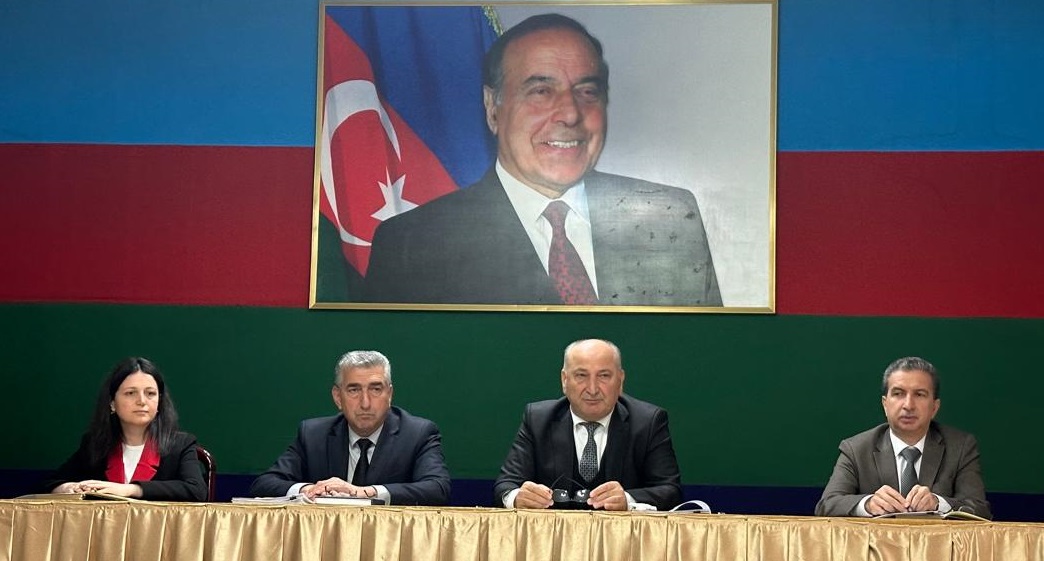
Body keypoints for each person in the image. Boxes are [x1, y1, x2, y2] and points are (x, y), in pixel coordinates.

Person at [364, 13, 721, 307]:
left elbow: (704, 356)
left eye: (587, 91)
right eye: (541, 91)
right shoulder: (412, 247)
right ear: (492, 108)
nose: (570, 113)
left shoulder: (671, 217)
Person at [493, 339, 682, 511]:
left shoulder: (648, 422)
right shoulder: (538, 419)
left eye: (604, 376)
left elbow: (671, 491)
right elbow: (506, 485)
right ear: (564, 380)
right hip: (554, 535)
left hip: (623, 536)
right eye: (581, 375)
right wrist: (517, 497)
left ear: (620, 380)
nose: (592, 389)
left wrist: (627, 500)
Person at [249, 350, 450, 505]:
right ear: (338, 397)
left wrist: (364, 492)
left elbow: (437, 488)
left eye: (375, 389)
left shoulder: (418, 433)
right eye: (354, 390)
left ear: (389, 395)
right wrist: (310, 490)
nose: (365, 403)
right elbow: (264, 484)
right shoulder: (313, 434)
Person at [815, 357, 991, 518]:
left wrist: (939, 503)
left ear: (934, 407)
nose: (908, 405)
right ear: (885, 404)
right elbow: (826, 505)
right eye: (898, 393)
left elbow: (980, 510)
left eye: (919, 394)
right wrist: (867, 504)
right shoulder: (856, 449)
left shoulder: (960, 447)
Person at [42, 357, 208, 501]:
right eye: (130, 393)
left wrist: (131, 490)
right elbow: (49, 484)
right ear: (112, 403)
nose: (142, 401)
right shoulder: (95, 444)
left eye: (150, 393)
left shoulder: (180, 444)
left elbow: (197, 491)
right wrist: (67, 488)